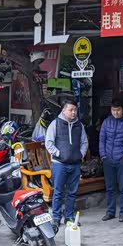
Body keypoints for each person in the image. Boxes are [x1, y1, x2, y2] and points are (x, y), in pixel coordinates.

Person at [45, 99, 88, 230]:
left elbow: (84, 142)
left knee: (72, 192)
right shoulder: (55, 124)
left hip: (75, 164)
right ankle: (56, 218)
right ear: (63, 110)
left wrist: (80, 155)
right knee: (58, 192)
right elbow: (49, 143)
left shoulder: (79, 125)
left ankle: (69, 217)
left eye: (75, 110)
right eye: (70, 110)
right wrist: (59, 154)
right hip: (59, 164)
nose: (73, 113)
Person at [99, 99, 123, 222]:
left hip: (122, 160)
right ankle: (110, 212)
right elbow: (102, 140)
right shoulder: (106, 122)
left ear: (122, 109)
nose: (116, 112)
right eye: (113, 110)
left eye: (118, 110)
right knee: (110, 188)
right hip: (108, 159)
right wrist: (103, 156)